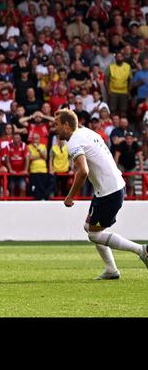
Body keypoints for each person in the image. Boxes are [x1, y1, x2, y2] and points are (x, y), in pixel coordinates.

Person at [54, 109, 148, 280]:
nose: (55, 128)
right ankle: (111, 270)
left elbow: (83, 171)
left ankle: (141, 250)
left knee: (94, 235)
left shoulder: (73, 143)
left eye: (57, 124)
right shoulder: (86, 132)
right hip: (108, 188)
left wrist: (70, 197)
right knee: (88, 227)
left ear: (66, 125)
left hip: (109, 192)